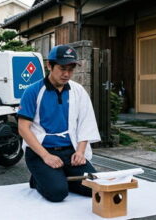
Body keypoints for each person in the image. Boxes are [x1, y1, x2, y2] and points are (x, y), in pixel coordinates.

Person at [18, 45, 101, 202]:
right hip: (40, 152)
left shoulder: (78, 91)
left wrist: (80, 152)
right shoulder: (32, 91)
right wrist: (46, 156)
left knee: (95, 187)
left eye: (71, 69)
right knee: (57, 193)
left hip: (69, 151)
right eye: (62, 68)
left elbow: (86, 123)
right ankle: (39, 179)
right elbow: (23, 128)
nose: (67, 74)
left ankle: (59, 175)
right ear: (49, 65)